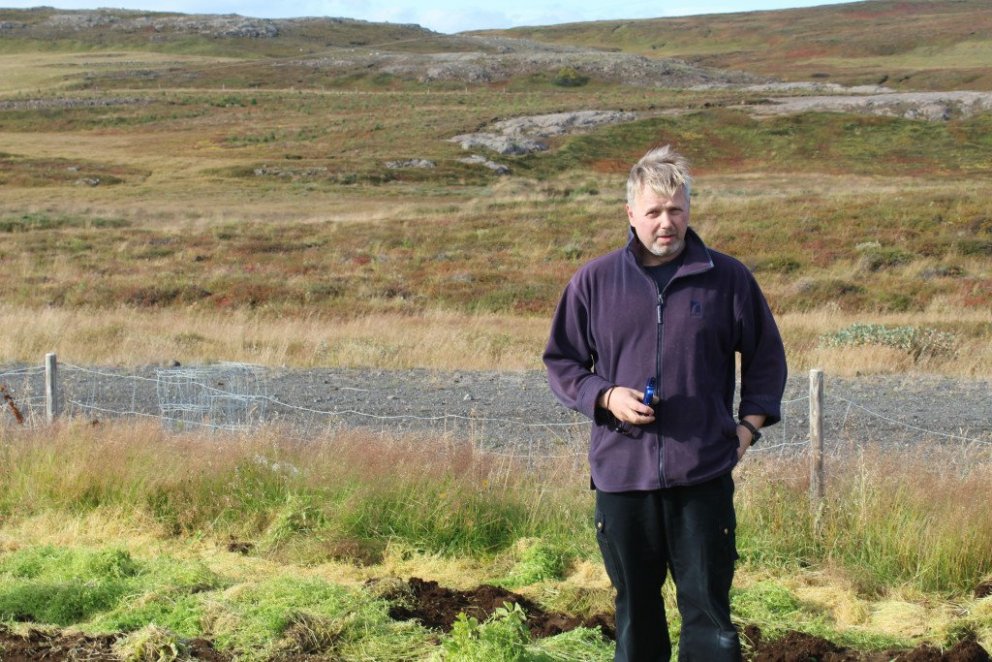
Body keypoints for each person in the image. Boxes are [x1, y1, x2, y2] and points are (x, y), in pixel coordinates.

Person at [543, 145, 787, 661]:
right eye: (653, 210)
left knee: (708, 612)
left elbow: (766, 358)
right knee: (636, 612)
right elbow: (562, 362)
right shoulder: (594, 281)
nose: (666, 222)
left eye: (675, 209)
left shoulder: (729, 279)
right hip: (621, 476)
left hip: (703, 475)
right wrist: (606, 395)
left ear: (689, 209)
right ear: (631, 213)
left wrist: (747, 430)